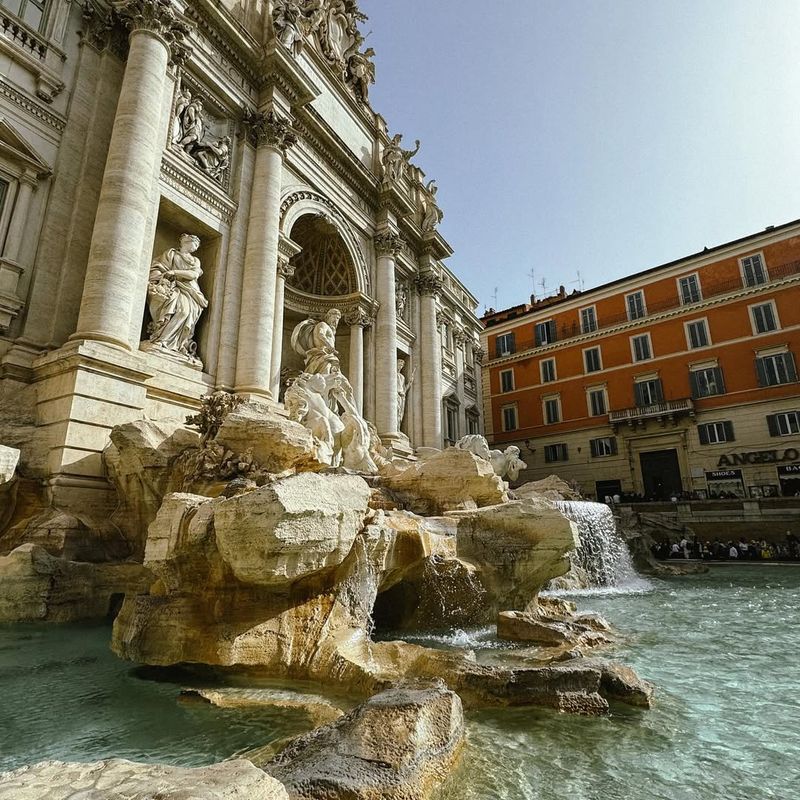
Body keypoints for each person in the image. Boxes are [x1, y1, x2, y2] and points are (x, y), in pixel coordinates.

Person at [147, 234, 207, 361]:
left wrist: (174, 272)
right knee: (175, 310)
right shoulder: (171, 253)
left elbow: (194, 274)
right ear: (185, 242)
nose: (195, 247)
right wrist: (161, 278)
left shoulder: (195, 260)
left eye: (197, 245)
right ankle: (161, 340)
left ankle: (172, 343)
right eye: (194, 243)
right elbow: (159, 267)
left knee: (185, 312)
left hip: (190, 290)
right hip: (173, 286)